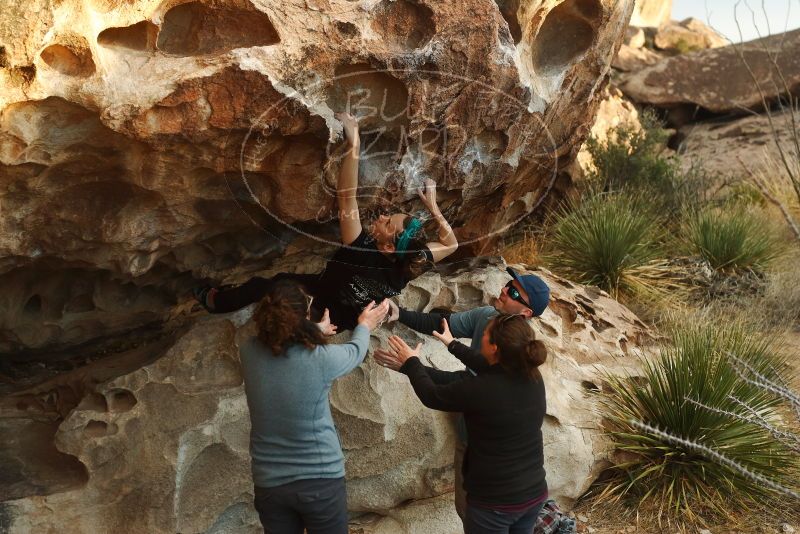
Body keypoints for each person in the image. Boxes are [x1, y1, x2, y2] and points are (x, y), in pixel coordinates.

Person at [194, 112, 458, 331]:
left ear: (389, 247)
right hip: (347, 319)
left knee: (262, 287)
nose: (382, 216)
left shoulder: (360, 249)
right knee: (282, 280)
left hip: (321, 309)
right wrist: (434, 208)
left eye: (388, 223)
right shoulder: (411, 261)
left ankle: (216, 302)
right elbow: (451, 244)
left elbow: (346, 198)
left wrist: (354, 145)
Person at [382, 266, 550, 523]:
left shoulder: (482, 388)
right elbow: (482, 368)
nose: (505, 290)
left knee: (470, 515)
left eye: (484, 335)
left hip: (494, 501)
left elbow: (434, 395)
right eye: (509, 285)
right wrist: (450, 344)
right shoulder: (529, 372)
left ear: (493, 348)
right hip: (533, 492)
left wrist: (412, 364)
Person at [240, 279, 389, 533]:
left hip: (270, 484)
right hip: (320, 481)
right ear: (303, 316)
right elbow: (355, 351)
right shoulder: (321, 359)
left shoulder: (249, 352)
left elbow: (282, 344)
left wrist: (313, 330)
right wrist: (365, 325)